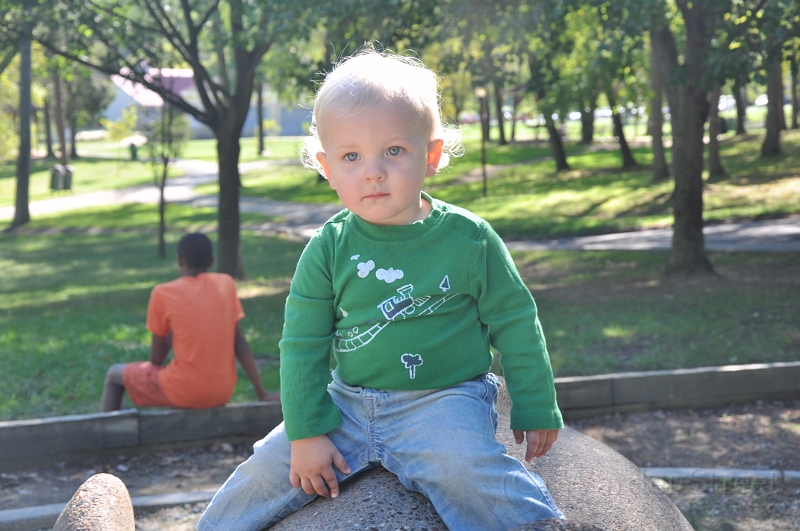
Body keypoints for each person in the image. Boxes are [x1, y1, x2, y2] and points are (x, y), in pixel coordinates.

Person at [198, 48, 563, 531]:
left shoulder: (469, 240)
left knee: (467, 472)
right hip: (346, 405)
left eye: (393, 151)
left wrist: (535, 403)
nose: (373, 171)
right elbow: (303, 344)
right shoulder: (328, 247)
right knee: (259, 476)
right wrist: (306, 434)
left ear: (430, 155)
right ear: (327, 167)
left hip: (442, 402)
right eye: (351, 156)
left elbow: (516, 322)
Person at [101, 233, 279, 412]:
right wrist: (262, 393)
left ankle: (106, 428)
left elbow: (156, 359)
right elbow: (240, 343)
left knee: (114, 374)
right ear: (211, 261)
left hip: (184, 390)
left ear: (179, 260)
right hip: (222, 392)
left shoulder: (162, 293)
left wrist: (171, 333)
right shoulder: (226, 284)